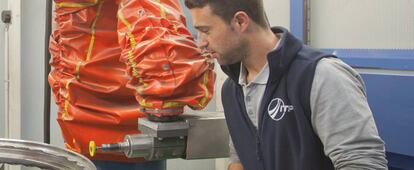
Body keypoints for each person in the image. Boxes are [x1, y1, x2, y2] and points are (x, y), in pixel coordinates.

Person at [184, 0, 388, 170]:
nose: (201, 42)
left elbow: (363, 163)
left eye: (205, 31)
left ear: (240, 21)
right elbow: (240, 160)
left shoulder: (321, 75)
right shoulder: (231, 90)